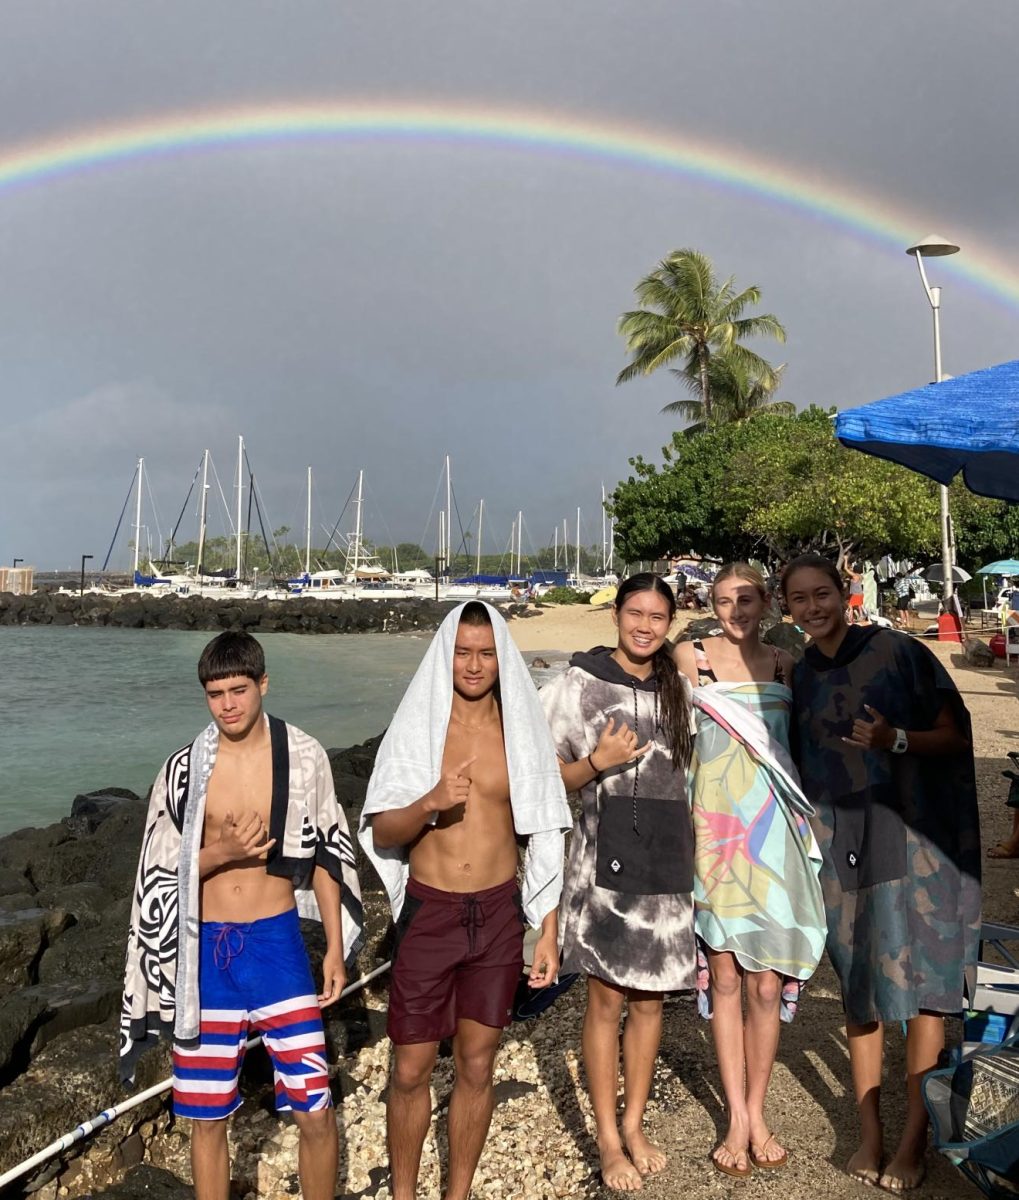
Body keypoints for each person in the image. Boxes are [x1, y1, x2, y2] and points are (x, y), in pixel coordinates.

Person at [120, 632, 364, 1200]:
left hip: (277, 948)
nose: (228, 704)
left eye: (238, 690)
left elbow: (328, 850)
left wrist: (333, 948)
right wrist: (222, 854)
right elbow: (156, 873)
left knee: (314, 1108)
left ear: (262, 684)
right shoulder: (183, 770)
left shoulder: (303, 756)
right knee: (206, 1118)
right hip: (204, 959)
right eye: (215, 694)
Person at [781, 554, 981, 1192]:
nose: (813, 607)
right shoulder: (800, 675)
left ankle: (914, 1136)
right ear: (787, 607)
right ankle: (869, 1134)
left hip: (913, 841)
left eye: (823, 594)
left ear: (845, 594)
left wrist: (897, 740)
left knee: (922, 987)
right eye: (799, 599)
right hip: (843, 847)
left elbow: (956, 734)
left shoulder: (897, 653)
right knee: (859, 983)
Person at [359, 602, 570, 1200]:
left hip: (499, 915)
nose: (474, 665)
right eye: (462, 652)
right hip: (433, 911)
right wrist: (428, 801)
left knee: (478, 1066)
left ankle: (457, 1193)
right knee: (409, 1069)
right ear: (445, 654)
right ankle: (403, 1193)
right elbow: (381, 832)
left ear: (501, 657)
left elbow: (547, 827)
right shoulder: (420, 729)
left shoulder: (519, 732)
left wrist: (546, 929)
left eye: (485, 653)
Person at [540, 573, 695, 1192]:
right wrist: (595, 763)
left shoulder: (678, 688)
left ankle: (634, 1124)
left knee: (651, 1001)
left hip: (665, 868)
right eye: (635, 613)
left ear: (669, 624)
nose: (645, 626)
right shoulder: (576, 684)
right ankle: (607, 1138)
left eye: (658, 617)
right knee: (605, 1002)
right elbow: (544, 780)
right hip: (601, 869)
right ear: (617, 615)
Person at [674, 563, 825, 1179]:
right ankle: (737, 1117)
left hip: (777, 837)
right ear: (710, 604)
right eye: (722, 600)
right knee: (727, 979)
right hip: (714, 837)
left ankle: (759, 1109)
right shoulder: (693, 658)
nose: (734, 610)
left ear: (766, 603)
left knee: (767, 983)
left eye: (746, 599)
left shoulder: (789, 665)